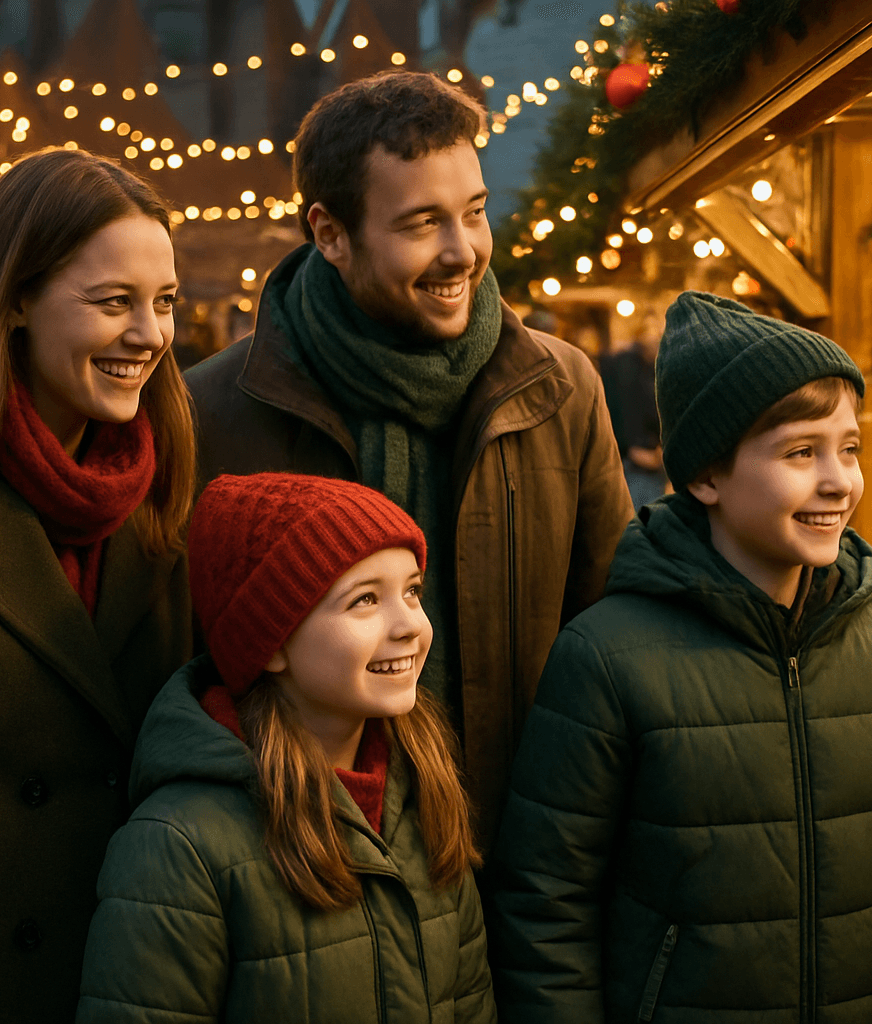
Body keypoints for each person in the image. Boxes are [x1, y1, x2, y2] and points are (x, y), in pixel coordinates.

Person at [185, 71, 633, 849]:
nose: (463, 252)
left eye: (475, 212)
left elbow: (615, 636)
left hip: (526, 849)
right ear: (329, 233)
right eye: (423, 223)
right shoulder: (214, 412)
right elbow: (186, 671)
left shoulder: (560, 389)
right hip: (301, 858)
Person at [488, 291, 872, 1023]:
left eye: (848, 448)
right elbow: (547, 907)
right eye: (801, 452)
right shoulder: (607, 659)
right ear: (705, 476)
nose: (839, 481)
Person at [0, 148, 194, 1023]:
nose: (150, 334)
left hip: (133, 973)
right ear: (17, 301)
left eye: (165, 303)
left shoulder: (168, 500)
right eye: (115, 302)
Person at [76, 472, 496, 1023]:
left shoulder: (425, 792)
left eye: (413, 591)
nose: (410, 626)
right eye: (365, 600)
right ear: (270, 643)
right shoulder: (179, 848)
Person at [602, 309, 667, 508]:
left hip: (648, 456)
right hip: (634, 460)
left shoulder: (651, 367)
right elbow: (622, 409)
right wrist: (632, 447)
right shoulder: (626, 365)